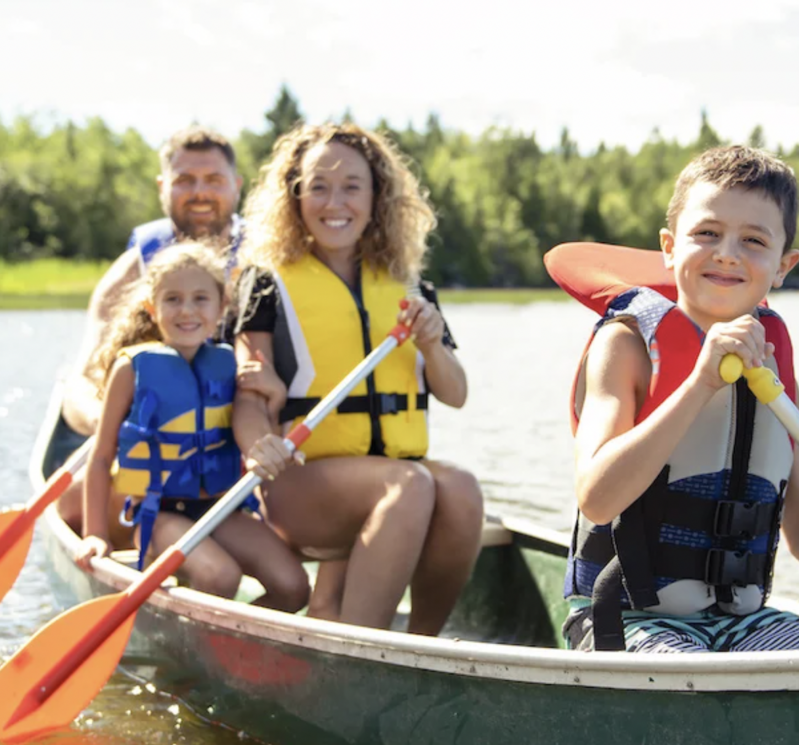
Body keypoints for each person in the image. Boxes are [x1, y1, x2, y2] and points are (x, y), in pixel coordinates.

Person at [563, 145, 799, 653]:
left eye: (753, 240)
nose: (727, 253)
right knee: (694, 680)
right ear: (669, 246)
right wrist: (700, 383)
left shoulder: (772, 364)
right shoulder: (627, 346)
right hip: (622, 616)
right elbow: (597, 495)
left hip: (742, 624)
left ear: (783, 264)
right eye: (707, 233)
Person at [232, 122, 485, 632]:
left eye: (352, 185)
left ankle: (423, 647)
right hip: (301, 482)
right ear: (295, 194)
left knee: (460, 488)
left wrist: (432, 343)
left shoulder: (411, 286)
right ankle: (365, 649)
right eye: (318, 185)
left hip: (392, 475)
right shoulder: (266, 283)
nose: (335, 201)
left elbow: (454, 393)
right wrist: (259, 443)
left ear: (376, 197)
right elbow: (250, 392)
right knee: (409, 483)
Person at [76, 241, 309, 611]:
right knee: (221, 576)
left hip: (222, 508)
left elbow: (262, 441)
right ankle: (197, 655)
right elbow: (102, 456)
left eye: (201, 299)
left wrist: (276, 398)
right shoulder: (130, 369)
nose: (187, 310)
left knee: (294, 587)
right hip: (159, 513)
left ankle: (236, 649)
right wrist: (95, 535)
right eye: (172, 299)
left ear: (222, 308)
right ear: (152, 309)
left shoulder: (229, 364)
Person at [56, 126, 247, 534]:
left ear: (236, 186)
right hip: (155, 467)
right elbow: (79, 389)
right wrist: (114, 425)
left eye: (213, 180)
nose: (200, 192)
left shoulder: (266, 262)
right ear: (163, 187)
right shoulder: (131, 271)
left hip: (237, 457)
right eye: (184, 180)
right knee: (70, 503)